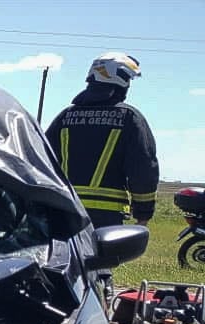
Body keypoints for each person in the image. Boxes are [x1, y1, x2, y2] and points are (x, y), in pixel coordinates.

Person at [45, 53, 159, 228]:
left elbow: (41, 158)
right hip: (106, 218)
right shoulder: (129, 118)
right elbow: (143, 169)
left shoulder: (65, 117)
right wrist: (143, 214)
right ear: (120, 81)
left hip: (65, 212)